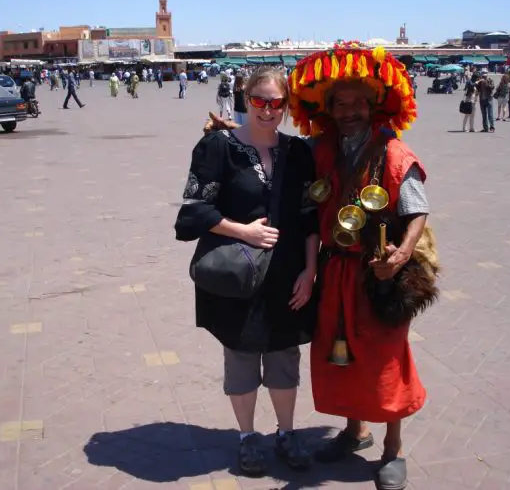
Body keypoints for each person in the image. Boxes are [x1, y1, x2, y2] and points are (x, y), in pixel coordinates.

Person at [202, 44, 439, 490]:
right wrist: (233, 129)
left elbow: (417, 209)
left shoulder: (391, 152)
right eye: (341, 103)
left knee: (385, 357)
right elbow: (273, 145)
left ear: (373, 106)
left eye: (358, 103)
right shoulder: (320, 147)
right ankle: (355, 431)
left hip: (379, 273)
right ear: (329, 108)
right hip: (334, 271)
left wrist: (402, 254)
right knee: (342, 351)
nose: (349, 111)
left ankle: (394, 448)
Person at [175, 67, 319, 477]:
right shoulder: (217, 147)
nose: (268, 111)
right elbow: (194, 211)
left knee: (284, 356)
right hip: (238, 275)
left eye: (277, 103)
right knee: (240, 356)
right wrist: (244, 231)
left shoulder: (299, 152)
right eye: (260, 101)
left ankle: (287, 433)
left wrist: (310, 271)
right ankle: (247, 437)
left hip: (288, 273)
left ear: (286, 106)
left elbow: (311, 217)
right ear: (246, 99)